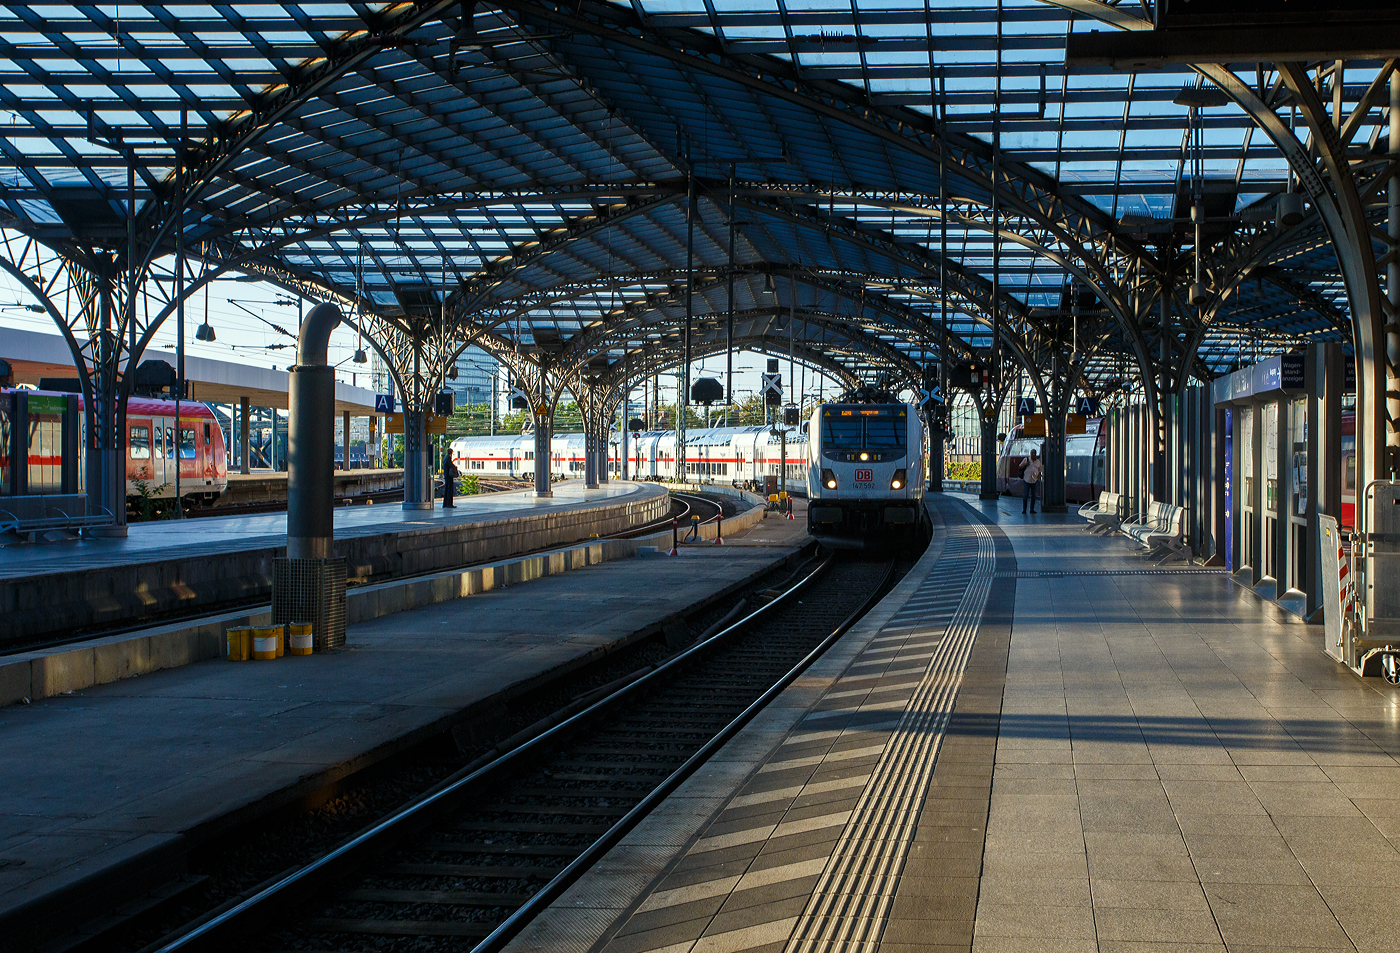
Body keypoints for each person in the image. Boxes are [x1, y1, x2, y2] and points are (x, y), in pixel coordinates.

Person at [1021, 448, 1043, 514]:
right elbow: (1019, 467)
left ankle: (1031, 509)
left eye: (1034, 454)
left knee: (1033, 496)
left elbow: (1040, 471)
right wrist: (1025, 464)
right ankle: (1024, 509)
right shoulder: (1026, 460)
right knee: (1025, 495)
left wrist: (1038, 477)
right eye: (1032, 453)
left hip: (1034, 481)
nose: (1033, 455)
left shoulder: (1038, 462)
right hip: (1026, 479)